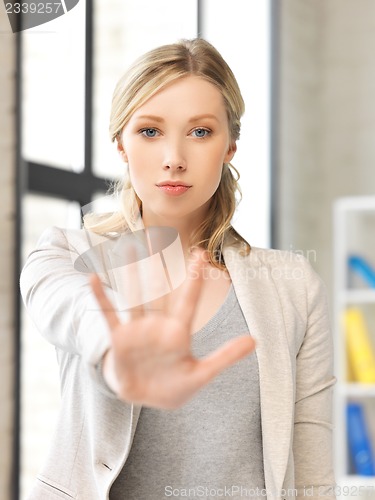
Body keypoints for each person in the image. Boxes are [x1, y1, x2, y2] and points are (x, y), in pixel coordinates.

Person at [20, 38, 336, 500]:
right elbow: (67, 306)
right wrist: (116, 346)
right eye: (150, 131)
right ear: (120, 145)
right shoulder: (69, 257)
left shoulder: (294, 286)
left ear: (230, 146)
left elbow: (311, 475)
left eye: (201, 132)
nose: (174, 157)